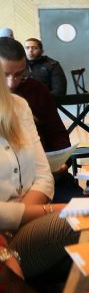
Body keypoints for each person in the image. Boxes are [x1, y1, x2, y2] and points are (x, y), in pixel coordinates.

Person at [0, 65, 77, 280]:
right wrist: (51, 209)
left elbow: (43, 175)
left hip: (21, 224)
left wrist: (23, 216)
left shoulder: (17, 105)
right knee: (84, 220)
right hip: (5, 237)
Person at [0, 37, 83, 204]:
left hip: (47, 174)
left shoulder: (35, 90)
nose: (11, 83)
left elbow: (57, 134)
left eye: (19, 75)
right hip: (10, 186)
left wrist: (61, 163)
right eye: (5, 75)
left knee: (83, 206)